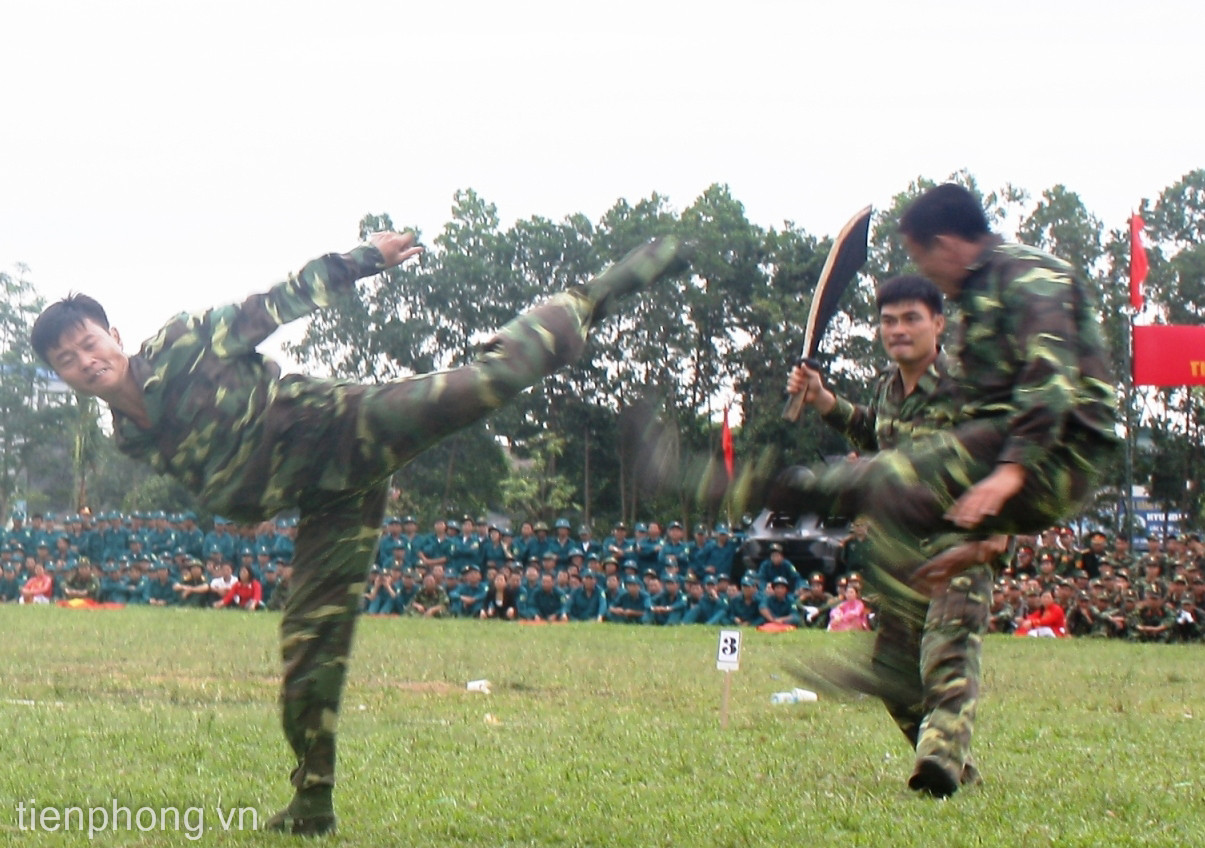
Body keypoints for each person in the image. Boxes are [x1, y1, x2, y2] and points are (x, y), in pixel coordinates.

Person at [31, 228, 687, 834]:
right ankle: (311, 802)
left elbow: (277, 301)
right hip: (326, 498)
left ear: (114, 335)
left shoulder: (184, 341)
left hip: (342, 424)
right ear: (60, 376)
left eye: (90, 343)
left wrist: (369, 258)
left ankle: (597, 291)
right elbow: (213, 471)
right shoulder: (127, 437)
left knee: (492, 381)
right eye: (67, 359)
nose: (85, 361)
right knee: (309, 643)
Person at [772, 185, 1117, 796]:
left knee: (947, 650)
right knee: (894, 669)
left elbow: (1028, 403)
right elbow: (885, 440)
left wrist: (1005, 500)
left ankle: (937, 763)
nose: (898, 330)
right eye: (888, 321)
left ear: (937, 322)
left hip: (966, 526)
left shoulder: (969, 361)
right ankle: (955, 766)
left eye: (912, 317)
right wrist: (827, 403)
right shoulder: (889, 389)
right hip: (911, 542)